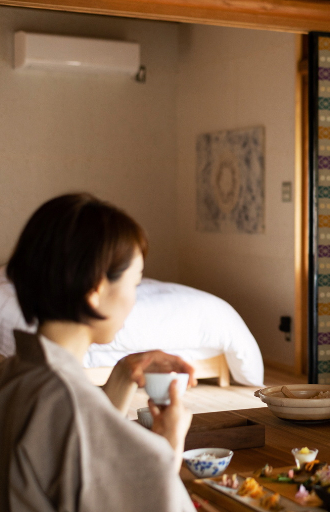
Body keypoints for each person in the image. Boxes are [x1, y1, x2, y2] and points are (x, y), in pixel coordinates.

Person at [0, 193, 197, 511]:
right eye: (135, 282)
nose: (133, 298)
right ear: (95, 289)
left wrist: (123, 372)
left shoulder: (16, 373)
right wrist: (169, 446)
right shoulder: (67, 402)